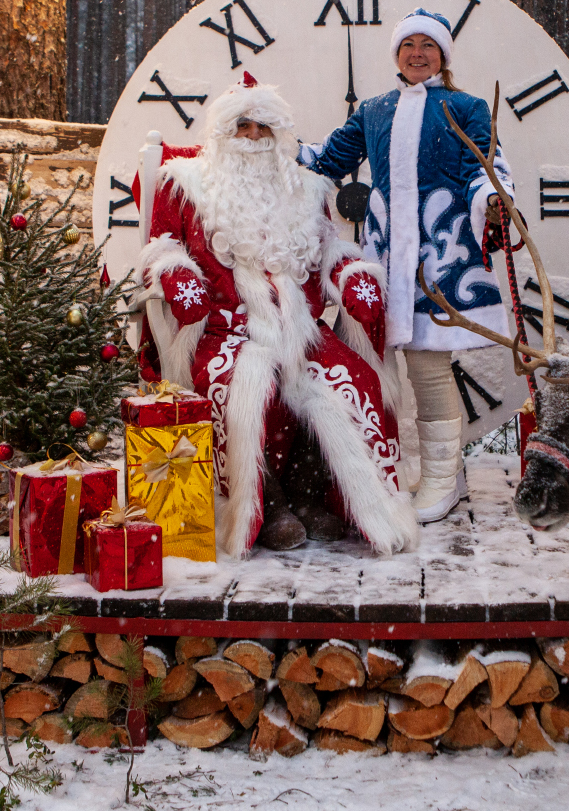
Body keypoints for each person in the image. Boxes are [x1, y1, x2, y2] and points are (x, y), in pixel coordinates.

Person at [137, 72, 419, 557]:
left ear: (277, 135)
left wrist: (354, 274)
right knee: (246, 390)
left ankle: (319, 497)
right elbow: (161, 246)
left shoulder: (306, 189)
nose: (252, 136)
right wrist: (174, 273)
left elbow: (330, 248)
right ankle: (267, 503)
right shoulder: (184, 185)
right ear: (223, 133)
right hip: (225, 333)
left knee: (348, 381)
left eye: (262, 127)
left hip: (302, 332)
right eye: (242, 125)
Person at [299, 9, 516, 523]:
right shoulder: (374, 110)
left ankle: (440, 479)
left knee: (426, 366)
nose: (418, 52)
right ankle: (427, 472)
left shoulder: (465, 107)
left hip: (438, 254)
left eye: (428, 45)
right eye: (408, 44)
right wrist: (270, 144)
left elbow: (484, 168)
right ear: (397, 54)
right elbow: (328, 158)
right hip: (384, 255)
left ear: (442, 55)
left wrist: (492, 197)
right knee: (380, 366)